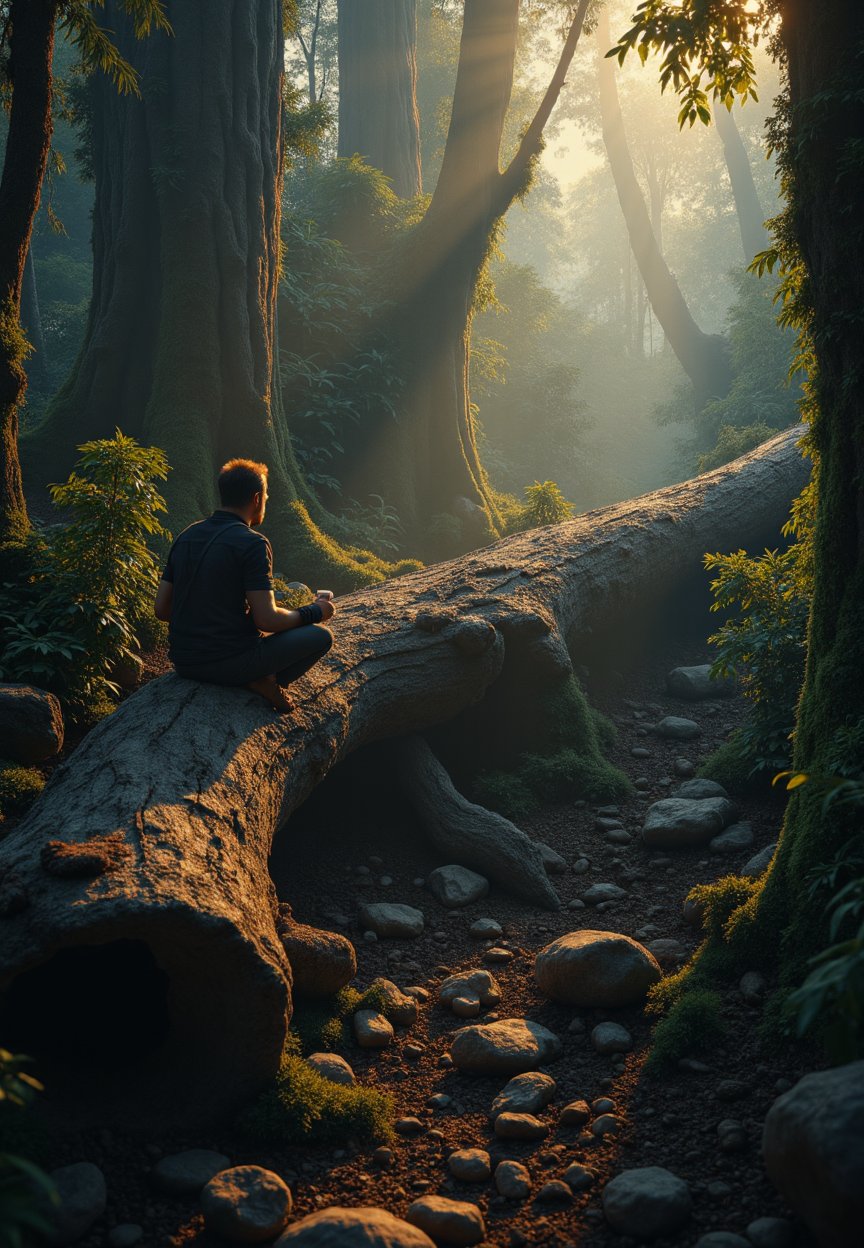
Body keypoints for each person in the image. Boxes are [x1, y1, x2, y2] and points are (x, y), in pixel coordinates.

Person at [154, 459, 334, 711]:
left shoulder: (187, 535)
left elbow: (162, 609)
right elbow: (267, 620)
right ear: (257, 498)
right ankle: (261, 680)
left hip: (184, 663)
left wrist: (209, 618)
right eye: (267, 497)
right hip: (231, 664)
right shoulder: (252, 543)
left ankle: (256, 677)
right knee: (321, 636)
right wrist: (316, 611)